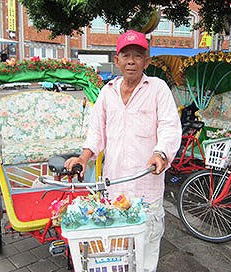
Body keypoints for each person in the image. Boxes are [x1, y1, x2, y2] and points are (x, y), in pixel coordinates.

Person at [65, 29, 182, 271]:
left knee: (147, 244)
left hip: (146, 185)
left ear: (146, 61)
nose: (131, 61)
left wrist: (161, 153)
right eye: (125, 55)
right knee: (117, 247)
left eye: (137, 55)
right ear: (117, 60)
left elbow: (170, 127)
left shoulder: (158, 89)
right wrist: (84, 157)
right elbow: (96, 133)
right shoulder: (107, 93)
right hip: (114, 185)